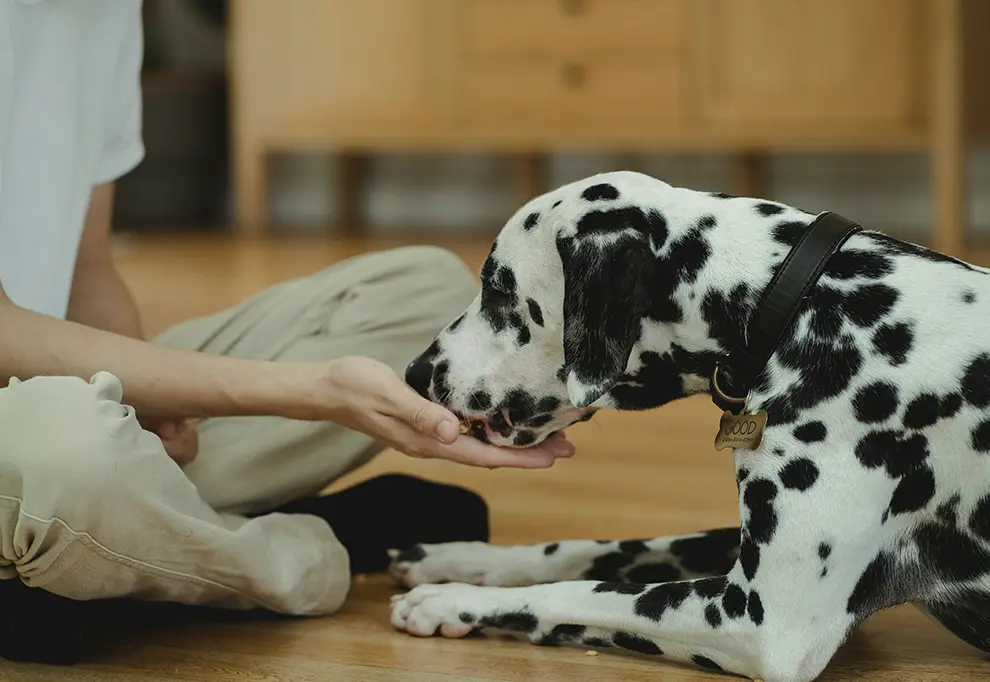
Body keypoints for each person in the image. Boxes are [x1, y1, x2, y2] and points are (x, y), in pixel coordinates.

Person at [0, 0, 575, 662]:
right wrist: (314, 389)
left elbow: (88, 268)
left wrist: (145, 411)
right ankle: (301, 551)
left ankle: (120, 550)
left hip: (51, 385)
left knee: (425, 296)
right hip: (31, 429)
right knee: (69, 458)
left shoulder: (101, 12)